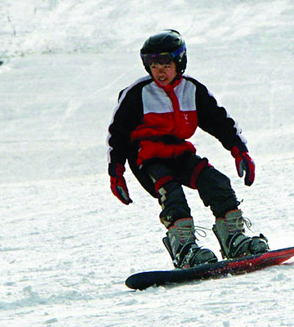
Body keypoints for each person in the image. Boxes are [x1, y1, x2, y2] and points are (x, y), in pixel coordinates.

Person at [107, 29, 269, 269]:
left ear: (179, 62)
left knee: (217, 182)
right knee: (172, 194)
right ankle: (184, 249)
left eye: (166, 64)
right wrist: (116, 172)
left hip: (180, 153)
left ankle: (234, 239)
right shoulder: (137, 94)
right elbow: (117, 134)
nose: (159, 71)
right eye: (153, 65)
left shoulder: (192, 90)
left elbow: (220, 121)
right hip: (147, 158)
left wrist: (240, 151)